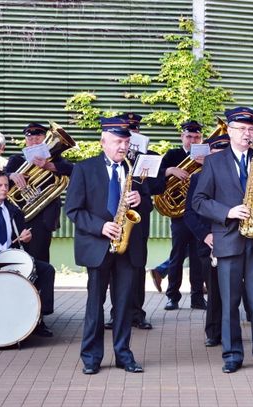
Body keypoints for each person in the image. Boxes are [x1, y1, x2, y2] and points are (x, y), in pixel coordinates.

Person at [192, 106, 253, 373]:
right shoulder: (214, 162)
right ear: (229, 131)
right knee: (229, 301)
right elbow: (199, 201)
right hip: (228, 238)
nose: (247, 134)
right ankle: (232, 355)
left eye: (250, 129)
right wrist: (228, 212)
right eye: (242, 129)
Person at [65, 116, 149, 375]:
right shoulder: (84, 169)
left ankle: (124, 355)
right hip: (97, 246)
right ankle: (91, 358)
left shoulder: (134, 170)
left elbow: (148, 206)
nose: (122, 147)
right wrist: (100, 226)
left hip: (126, 247)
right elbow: (73, 210)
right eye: (117, 141)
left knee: (123, 306)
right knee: (95, 305)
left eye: (126, 141)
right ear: (103, 142)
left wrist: (140, 199)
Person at [104, 113, 166, 331]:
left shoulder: (149, 155)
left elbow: (160, 186)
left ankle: (138, 312)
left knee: (137, 265)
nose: (133, 133)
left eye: (135, 130)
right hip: (115, 218)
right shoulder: (114, 155)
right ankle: (116, 313)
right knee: (114, 265)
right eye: (128, 130)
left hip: (138, 217)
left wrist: (143, 185)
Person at [0, 169, 55, 337]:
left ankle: (37, 317)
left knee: (45, 270)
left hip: (9, 256)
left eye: (6, 185)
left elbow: (19, 237)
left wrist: (25, 238)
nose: (4, 189)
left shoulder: (14, 210)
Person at [149, 120, 206, 311]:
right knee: (177, 256)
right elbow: (155, 174)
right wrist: (170, 170)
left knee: (198, 258)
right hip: (179, 215)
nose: (193, 140)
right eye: (189, 136)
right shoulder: (173, 154)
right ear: (182, 137)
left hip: (200, 215)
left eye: (197, 137)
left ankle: (197, 298)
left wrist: (206, 166)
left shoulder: (206, 156)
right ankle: (172, 296)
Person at [184, 132, 231, 347]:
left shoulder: (240, 177)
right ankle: (214, 332)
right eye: (216, 154)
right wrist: (206, 235)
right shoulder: (197, 177)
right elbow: (190, 213)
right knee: (213, 289)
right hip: (208, 240)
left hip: (233, 238)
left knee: (233, 289)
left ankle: (231, 330)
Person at [6, 123, 74, 263]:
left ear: (45, 139)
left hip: (43, 218)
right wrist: (11, 175)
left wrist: (49, 165)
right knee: (15, 258)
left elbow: (74, 170)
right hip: (18, 217)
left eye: (38, 136)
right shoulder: (16, 160)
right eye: (29, 137)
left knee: (40, 260)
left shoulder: (57, 161)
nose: (33, 140)